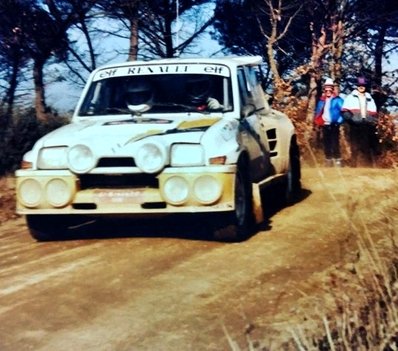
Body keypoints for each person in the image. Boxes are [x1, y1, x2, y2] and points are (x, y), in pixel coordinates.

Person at [341, 76, 378, 166]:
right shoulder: (350, 97)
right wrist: (351, 119)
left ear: (365, 86)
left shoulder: (369, 98)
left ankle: (367, 165)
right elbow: (344, 111)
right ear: (357, 86)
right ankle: (353, 164)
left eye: (363, 85)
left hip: (366, 125)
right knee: (354, 145)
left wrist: (371, 120)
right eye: (359, 85)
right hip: (354, 125)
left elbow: (374, 112)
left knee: (366, 146)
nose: (361, 87)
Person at [314, 78, 344, 167]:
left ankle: (337, 160)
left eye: (329, 89)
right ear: (324, 89)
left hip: (334, 124)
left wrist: (339, 121)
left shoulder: (337, 99)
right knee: (326, 143)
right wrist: (317, 122)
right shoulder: (321, 100)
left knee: (335, 142)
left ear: (332, 89)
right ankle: (328, 160)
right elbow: (318, 112)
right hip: (325, 124)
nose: (328, 91)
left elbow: (343, 111)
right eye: (326, 89)